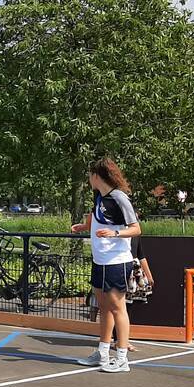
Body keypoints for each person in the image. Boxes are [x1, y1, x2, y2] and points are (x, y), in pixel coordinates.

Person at [72, 157, 141, 373]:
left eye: (90, 175)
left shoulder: (119, 198)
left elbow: (136, 228)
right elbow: (96, 217)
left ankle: (121, 358)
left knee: (117, 308)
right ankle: (102, 353)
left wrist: (115, 233)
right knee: (103, 307)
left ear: (96, 176)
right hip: (99, 261)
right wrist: (85, 227)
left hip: (116, 261)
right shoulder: (99, 197)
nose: (88, 180)